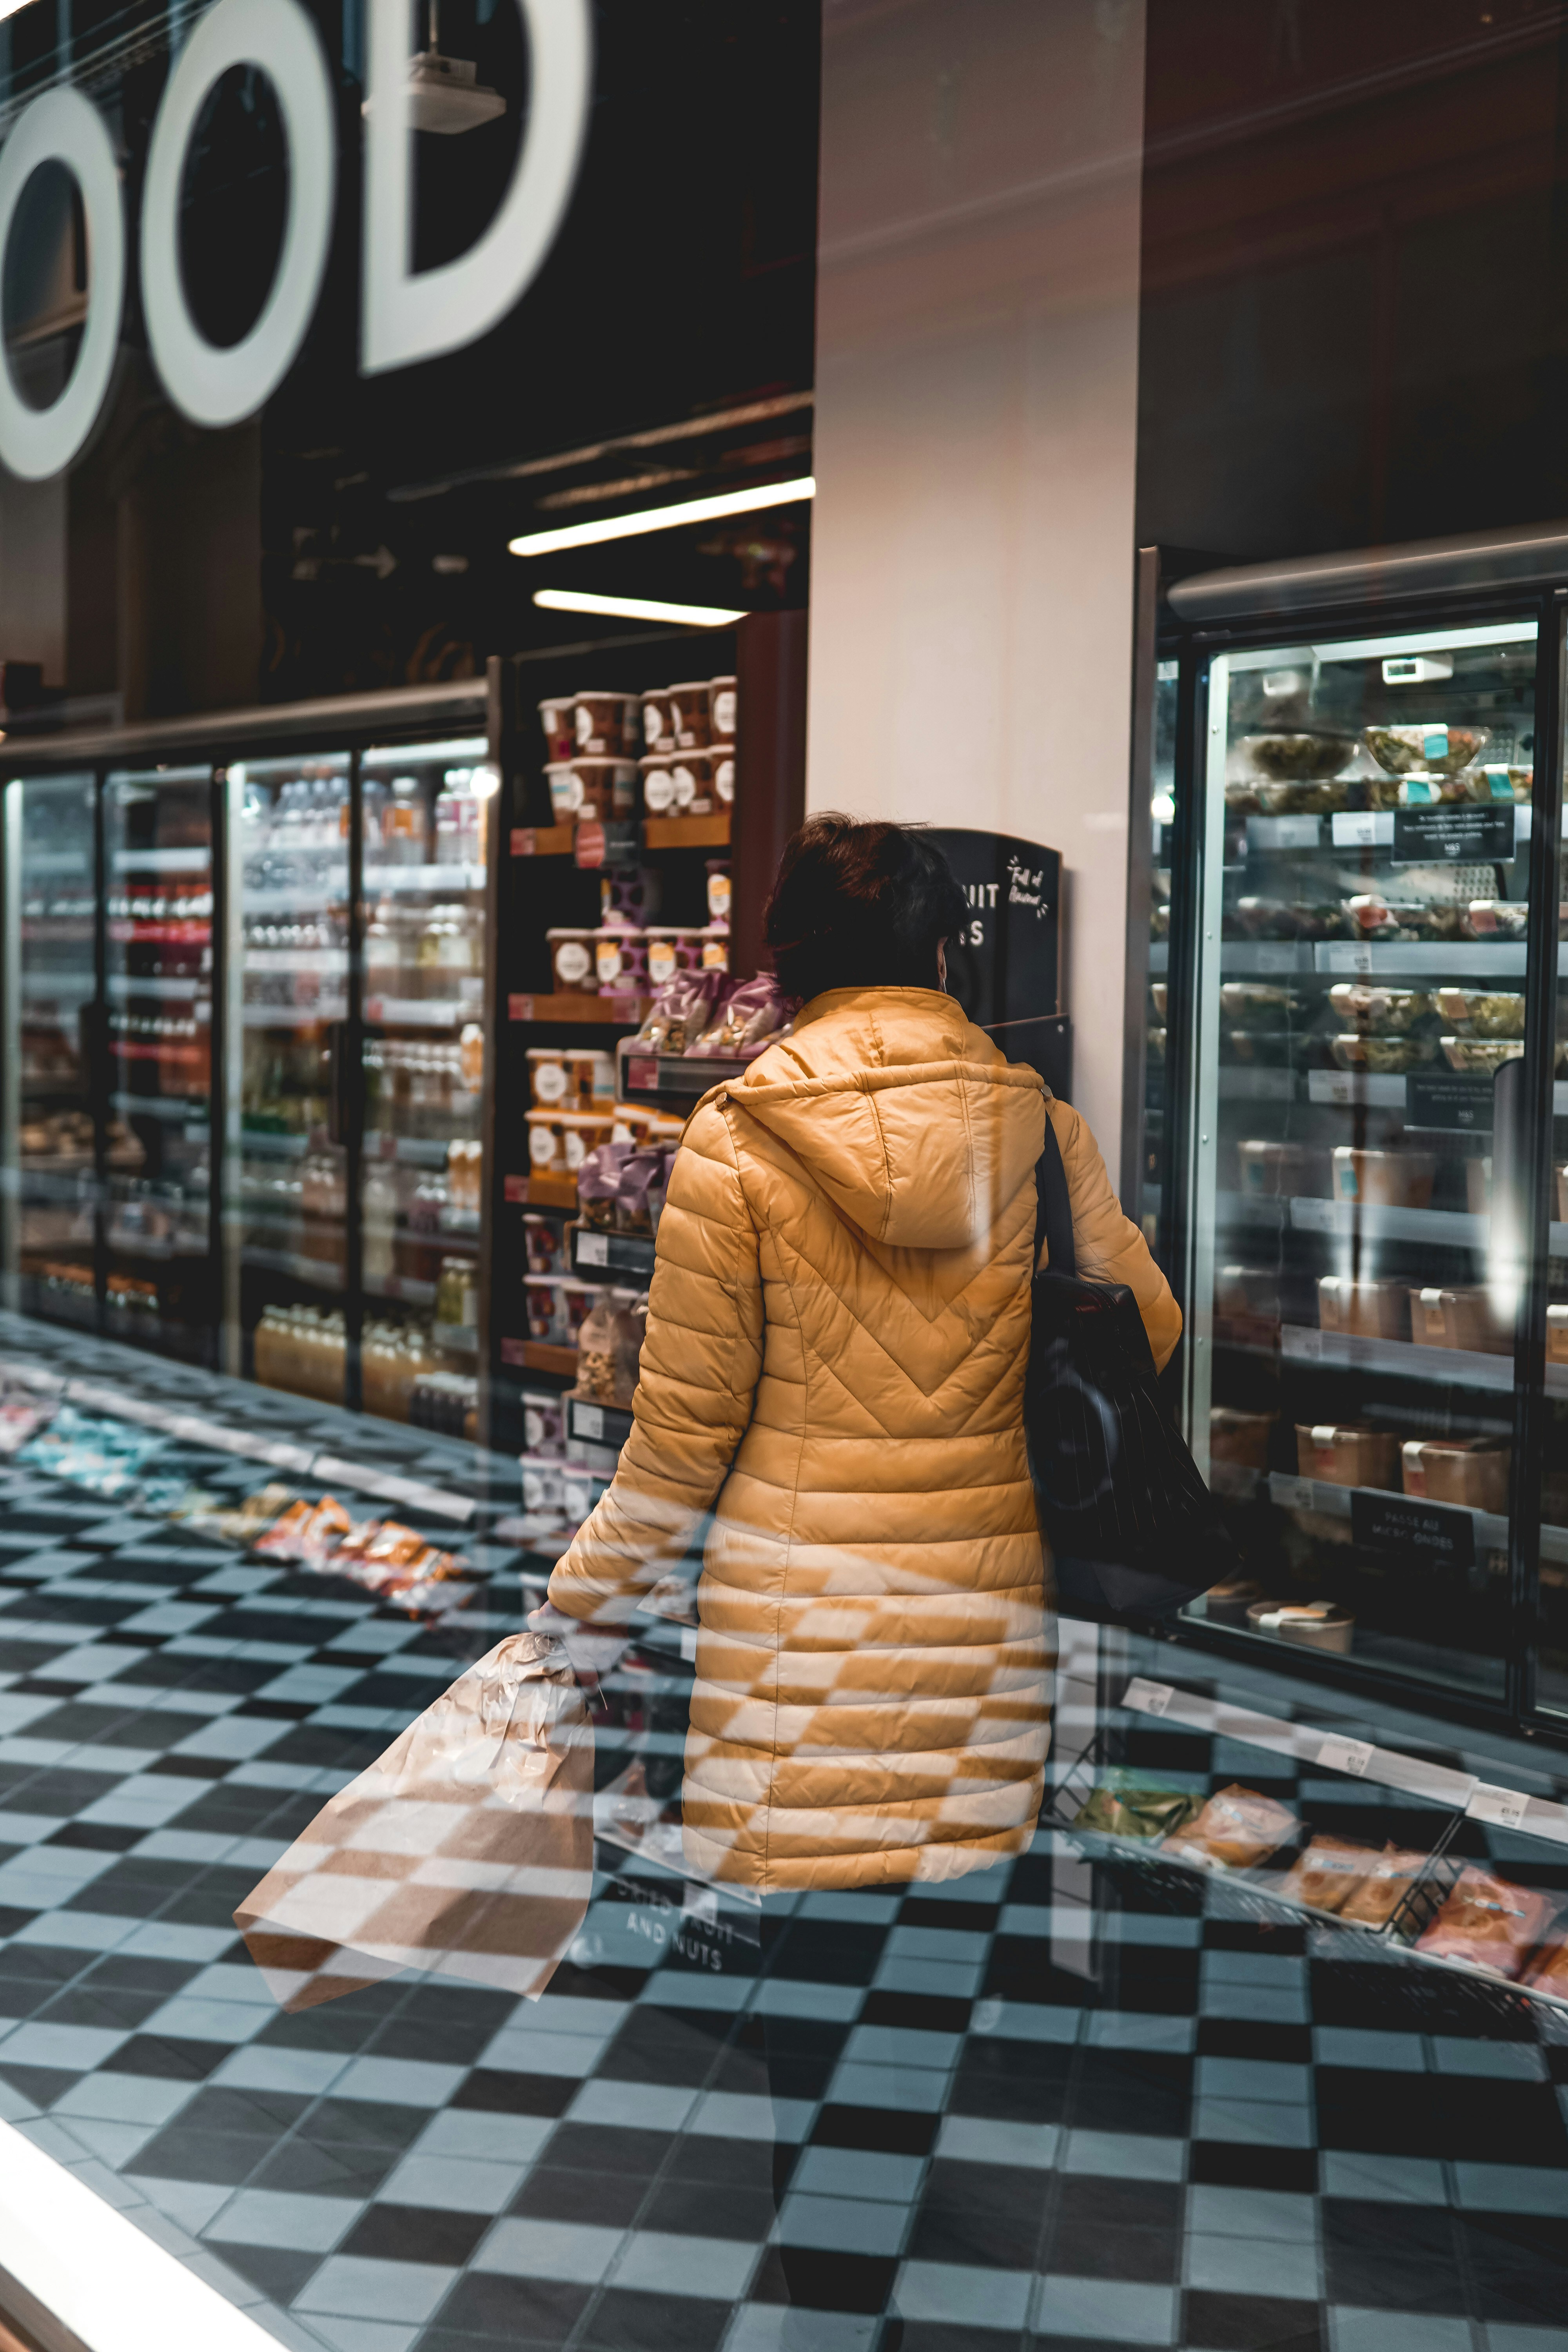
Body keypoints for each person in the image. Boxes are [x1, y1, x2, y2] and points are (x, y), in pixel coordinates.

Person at [544, 814, 1180, 1893]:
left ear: (790, 968)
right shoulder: (1044, 1137)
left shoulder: (737, 1141)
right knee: (953, 2016)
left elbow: (680, 1450)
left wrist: (577, 1604)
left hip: (797, 1661)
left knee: (805, 2029)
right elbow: (1148, 1332)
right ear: (944, 954)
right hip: (980, 1642)